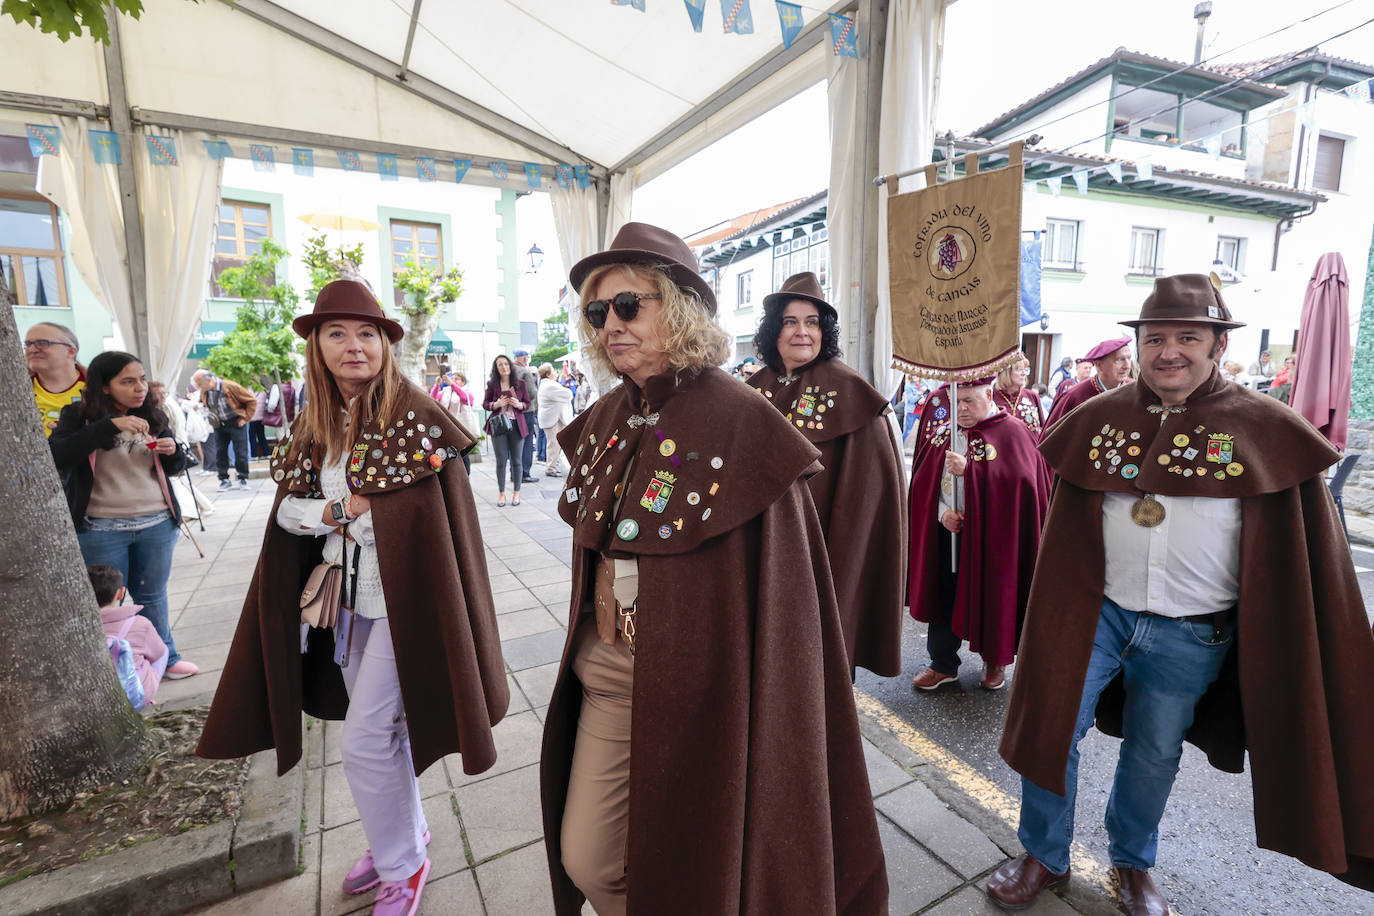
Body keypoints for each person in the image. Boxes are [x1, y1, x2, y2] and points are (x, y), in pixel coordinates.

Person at [992, 274, 1374, 914]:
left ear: (1217, 345)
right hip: (1097, 614)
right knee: (1049, 731)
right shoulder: (1098, 416)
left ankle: (1132, 863)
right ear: (1139, 345)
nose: (1169, 351)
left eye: (1188, 337)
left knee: (1153, 753)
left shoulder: (1263, 427)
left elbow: (1296, 552)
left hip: (1195, 630)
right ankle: (1043, 853)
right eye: (1156, 338)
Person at [542, 223, 887, 915]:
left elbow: (780, 591)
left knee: (700, 858)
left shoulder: (742, 417)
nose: (612, 323)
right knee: (589, 856)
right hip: (607, 670)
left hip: (711, 693)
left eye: (629, 305)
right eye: (597, 311)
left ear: (680, 307)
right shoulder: (611, 413)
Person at [198, 279, 508, 916]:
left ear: (386, 345)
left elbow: (415, 523)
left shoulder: (415, 415)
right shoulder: (317, 425)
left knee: (366, 739)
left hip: (404, 603)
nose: (354, 345)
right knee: (381, 733)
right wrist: (341, 510)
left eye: (367, 333)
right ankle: (406, 834)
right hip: (341, 603)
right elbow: (288, 520)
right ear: (317, 347)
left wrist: (343, 515)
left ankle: (404, 866)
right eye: (336, 333)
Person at [748, 271, 907, 677]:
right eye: (790, 322)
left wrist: (840, 582)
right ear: (773, 331)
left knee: (817, 675)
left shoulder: (852, 394)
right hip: (758, 557)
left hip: (824, 562)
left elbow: (869, 505)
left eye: (812, 322)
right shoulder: (753, 388)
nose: (802, 332)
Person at [50, 351, 198, 680]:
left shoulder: (153, 414)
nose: (139, 388)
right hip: (100, 528)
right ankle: (109, 669)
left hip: (156, 523)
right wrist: (110, 425)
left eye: (142, 379)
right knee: (103, 602)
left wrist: (172, 450)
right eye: (128, 381)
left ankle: (166, 659)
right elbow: (59, 453)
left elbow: (174, 467)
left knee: (152, 596)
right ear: (104, 386)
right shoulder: (78, 415)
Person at [907, 378, 1049, 691]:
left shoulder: (1013, 431)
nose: (961, 409)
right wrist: (942, 513)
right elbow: (925, 484)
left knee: (996, 594)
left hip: (997, 537)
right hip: (951, 533)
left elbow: (1023, 485)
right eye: (955, 402)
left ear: (989, 394)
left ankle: (995, 660)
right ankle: (943, 662)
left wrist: (971, 470)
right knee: (946, 594)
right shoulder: (945, 432)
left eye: (969, 401)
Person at [90, 563, 168, 705]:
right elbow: (158, 653)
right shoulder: (140, 623)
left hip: (95, 698)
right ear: (121, 593)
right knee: (163, 651)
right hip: (135, 696)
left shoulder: (77, 628)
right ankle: (147, 696)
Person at [1044, 336, 1134, 429]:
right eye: (1119, 360)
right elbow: (1052, 436)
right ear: (1099, 365)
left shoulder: (1136, 390)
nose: (1127, 366)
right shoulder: (1075, 396)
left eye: (1129, 358)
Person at [192, 369, 256, 491]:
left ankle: (243, 478)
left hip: (235, 421)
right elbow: (203, 403)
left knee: (240, 451)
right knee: (220, 452)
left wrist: (245, 418)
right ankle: (224, 479)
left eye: (200, 384)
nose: (199, 387)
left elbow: (251, 400)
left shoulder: (229, 386)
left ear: (209, 379)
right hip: (219, 424)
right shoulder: (205, 391)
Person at [483, 355, 530, 507]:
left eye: (506, 364)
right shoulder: (492, 384)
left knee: (517, 461)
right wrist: (496, 404)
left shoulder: (520, 384)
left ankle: (517, 493)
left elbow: (528, 404)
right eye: (500, 365)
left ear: (510, 366)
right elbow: (485, 404)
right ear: (496, 368)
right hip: (500, 426)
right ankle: (502, 493)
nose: (504, 367)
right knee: (501, 461)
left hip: (517, 426)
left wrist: (519, 404)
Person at [25, 320, 85, 436]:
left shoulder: (100, 388)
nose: (31, 350)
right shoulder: (15, 390)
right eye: (28, 344)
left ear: (71, 351)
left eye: (42, 343)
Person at [993, 354, 1045, 438]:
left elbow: (1042, 428)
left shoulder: (1032, 396)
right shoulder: (992, 397)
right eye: (1020, 369)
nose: (1024, 373)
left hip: (1030, 449)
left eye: (1026, 369)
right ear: (1006, 372)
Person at [537, 362, 574, 477]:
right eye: (553, 371)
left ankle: (552, 466)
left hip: (554, 419)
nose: (555, 373)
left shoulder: (547, 384)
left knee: (555, 444)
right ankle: (550, 468)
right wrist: (567, 392)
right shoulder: (549, 385)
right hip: (552, 420)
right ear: (548, 374)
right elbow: (568, 394)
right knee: (553, 444)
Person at [512, 349, 540, 482]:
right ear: (523, 358)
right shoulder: (524, 372)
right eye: (527, 357)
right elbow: (532, 393)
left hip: (511, 412)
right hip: (525, 411)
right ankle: (524, 473)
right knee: (527, 443)